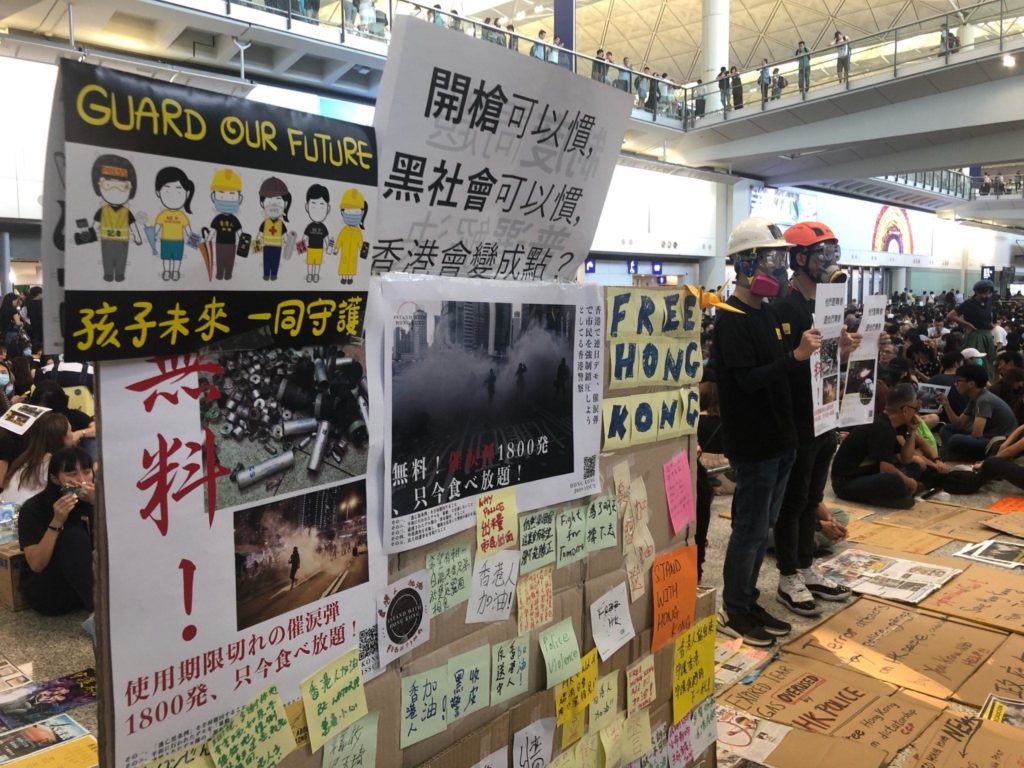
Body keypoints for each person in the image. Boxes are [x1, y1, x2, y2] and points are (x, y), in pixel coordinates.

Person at [712, 216, 821, 647]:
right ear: (743, 264)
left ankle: (749, 598)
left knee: (764, 526)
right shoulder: (732, 319)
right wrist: (794, 356)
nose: (777, 269)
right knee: (749, 530)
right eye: (769, 259)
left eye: (779, 259)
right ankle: (734, 608)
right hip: (754, 444)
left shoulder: (770, 313)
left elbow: (784, 372)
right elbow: (746, 382)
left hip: (781, 440)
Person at [770, 220, 853, 617]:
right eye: (822, 253)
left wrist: (849, 351)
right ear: (799, 258)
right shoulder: (785, 307)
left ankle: (805, 565)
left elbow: (828, 363)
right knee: (793, 499)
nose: (830, 262)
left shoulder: (827, 305)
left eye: (834, 253)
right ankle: (787, 576)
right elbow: (784, 368)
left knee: (813, 498)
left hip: (826, 413)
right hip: (800, 419)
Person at [17, 447, 96, 615]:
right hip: (51, 591)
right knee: (73, 536)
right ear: (54, 479)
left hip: (95, 584)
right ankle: (99, 613)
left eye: (87, 472)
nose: (82, 480)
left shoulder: (95, 499)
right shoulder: (34, 509)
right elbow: (37, 565)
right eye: (72, 474)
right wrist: (56, 522)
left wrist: (99, 505)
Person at [831, 384, 922, 508]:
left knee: (914, 467)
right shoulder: (882, 428)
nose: (916, 413)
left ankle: (897, 494)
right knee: (894, 480)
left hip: (868, 473)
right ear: (905, 410)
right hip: (846, 482)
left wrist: (911, 432)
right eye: (915, 409)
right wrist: (910, 482)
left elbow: (906, 459)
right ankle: (896, 494)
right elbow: (886, 469)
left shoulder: (888, 424)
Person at [937, 365, 1017, 460]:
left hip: (997, 442)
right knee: (946, 429)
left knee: (956, 439)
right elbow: (959, 423)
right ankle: (953, 453)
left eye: (958, 381)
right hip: (986, 436)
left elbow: (976, 434)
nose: (955, 384)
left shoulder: (984, 400)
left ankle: (952, 453)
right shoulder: (975, 398)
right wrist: (946, 404)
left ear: (971, 384)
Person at [3, 413, 74, 506]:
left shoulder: (27, 457)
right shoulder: (54, 462)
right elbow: (73, 494)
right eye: (71, 430)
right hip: (22, 515)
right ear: (60, 437)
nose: (73, 434)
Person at [948, 279, 996, 375]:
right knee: (977, 362)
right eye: (984, 294)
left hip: (987, 335)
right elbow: (951, 315)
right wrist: (967, 324)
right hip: (975, 335)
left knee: (990, 360)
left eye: (989, 293)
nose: (987, 296)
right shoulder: (969, 303)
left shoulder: (989, 301)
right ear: (977, 292)